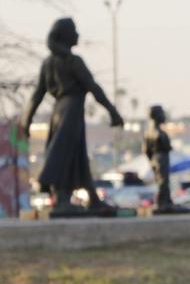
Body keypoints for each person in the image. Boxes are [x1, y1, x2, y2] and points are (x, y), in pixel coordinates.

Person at [19, 17, 123, 214]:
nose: (78, 35)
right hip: (71, 110)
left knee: (78, 156)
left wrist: (27, 119)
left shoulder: (48, 63)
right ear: (65, 35)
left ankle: (92, 199)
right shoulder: (72, 61)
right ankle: (62, 200)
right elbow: (93, 87)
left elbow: (37, 95)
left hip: (59, 111)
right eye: (74, 31)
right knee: (64, 155)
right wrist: (112, 111)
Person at [144, 105, 174, 210]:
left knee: (165, 181)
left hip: (160, 158)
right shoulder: (154, 132)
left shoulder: (158, 132)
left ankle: (167, 201)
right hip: (159, 158)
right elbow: (147, 150)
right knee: (162, 182)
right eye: (162, 113)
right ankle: (161, 204)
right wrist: (154, 161)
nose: (164, 116)